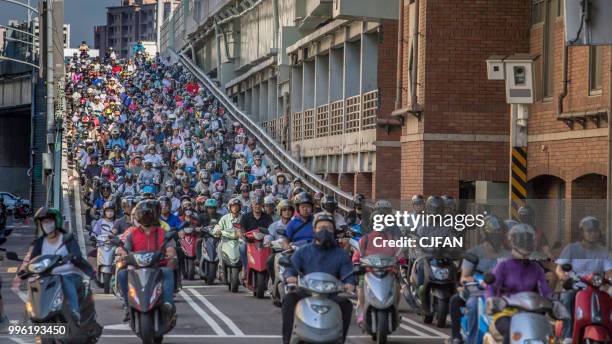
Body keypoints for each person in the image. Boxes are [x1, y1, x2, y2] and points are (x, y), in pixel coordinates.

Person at [282, 212, 356, 344]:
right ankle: (287, 341)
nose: (325, 231)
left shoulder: (341, 254)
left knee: (347, 305)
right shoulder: (303, 251)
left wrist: (349, 284)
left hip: (332, 296)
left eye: (328, 228)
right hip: (306, 293)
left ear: (334, 231)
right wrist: (290, 277)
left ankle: (340, 339)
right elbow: (290, 268)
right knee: (289, 300)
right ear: (314, 230)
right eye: (321, 228)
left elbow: (348, 273)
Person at [19, 207, 100, 325]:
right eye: (44, 222)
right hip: (47, 277)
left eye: (49, 221)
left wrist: (71, 257)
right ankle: (31, 315)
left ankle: (74, 312)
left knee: (66, 281)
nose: (46, 225)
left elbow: (77, 255)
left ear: (56, 221)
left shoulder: (67, 239)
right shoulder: (40, 242)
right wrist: (26, 270)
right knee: (33, 284)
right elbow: (33, 260)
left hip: (68, 274)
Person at [448, 215, 510, 344]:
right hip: (478, 291)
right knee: (469, 304)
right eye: (494, 234)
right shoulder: (474, 252)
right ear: (486, 234)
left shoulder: (507, 255)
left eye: (500, 234)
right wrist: (476, 281)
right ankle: (461, 337)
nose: (497, 237)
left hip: (501, 293)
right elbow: (465, 276)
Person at [487, 223, 552, 344]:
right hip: (506, 313)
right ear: (513, 242)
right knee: (511, 332)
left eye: (528, 241)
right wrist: (492, 301)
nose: (525, 244)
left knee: (548, 335)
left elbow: (545, 290)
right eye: (521, 241)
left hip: (531, 313)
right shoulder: (503, 265)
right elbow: (491, 286)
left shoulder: (536, 268)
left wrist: (553, 302)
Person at [117, 200, 177, 322]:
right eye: (142, 214)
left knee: (168, 272)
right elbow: (125, 250)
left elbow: (170, 249)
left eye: (148, 214)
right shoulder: (132, 235)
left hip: (158, 267)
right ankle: (128, 305)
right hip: (137, 269)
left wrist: (170, 254)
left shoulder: (163, 233)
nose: (145, 217)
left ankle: (168, 304)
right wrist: (122, 254)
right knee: (122, 274)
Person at [555, 216, 612, 344]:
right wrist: (565, 278)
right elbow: (559, 270)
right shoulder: (571, 249)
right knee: (569, 297)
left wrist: (609, 279)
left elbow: (609, 271)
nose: (593, 234)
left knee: (609, 299)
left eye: (595, 231)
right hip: (575, 287)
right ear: (582, 232)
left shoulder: (603, 251)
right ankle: (568, 334)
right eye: (589, 231)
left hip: (596, 288)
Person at [239, 195, 274, 272]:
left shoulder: (267, 217)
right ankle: (245, 268)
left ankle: (270, 271)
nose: (257, 206)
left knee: (274, 249)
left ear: (262, 205)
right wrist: (243, 235)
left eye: (259, 204)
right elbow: (241, 228)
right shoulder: (245, 216)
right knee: (242, 247)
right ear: (252, 205)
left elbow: (271, 229)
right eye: (255, 204)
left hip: (264, 242)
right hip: (249, 242)